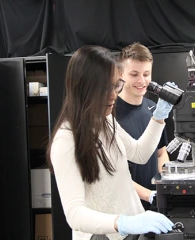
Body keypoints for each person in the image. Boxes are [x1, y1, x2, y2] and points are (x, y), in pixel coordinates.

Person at [46, 45, 175, 240]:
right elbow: (75, 214)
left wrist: (159, 117)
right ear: (84, 88)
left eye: (116, 85)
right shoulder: (66, 140)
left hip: (133, 232)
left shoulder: (104, 120)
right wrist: (122, 223)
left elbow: (139, 154)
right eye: (105, 89)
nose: (114, 95)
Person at [116, 43, 170, 210]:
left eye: (146, 74)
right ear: (120, 74)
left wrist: (164, 184)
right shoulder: (109, 112)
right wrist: (148, 195)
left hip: (155, 202)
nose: (142, 81)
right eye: (134, 74)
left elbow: (161, 153)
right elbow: (113, 174)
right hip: (125, 207)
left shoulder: (155, 109)